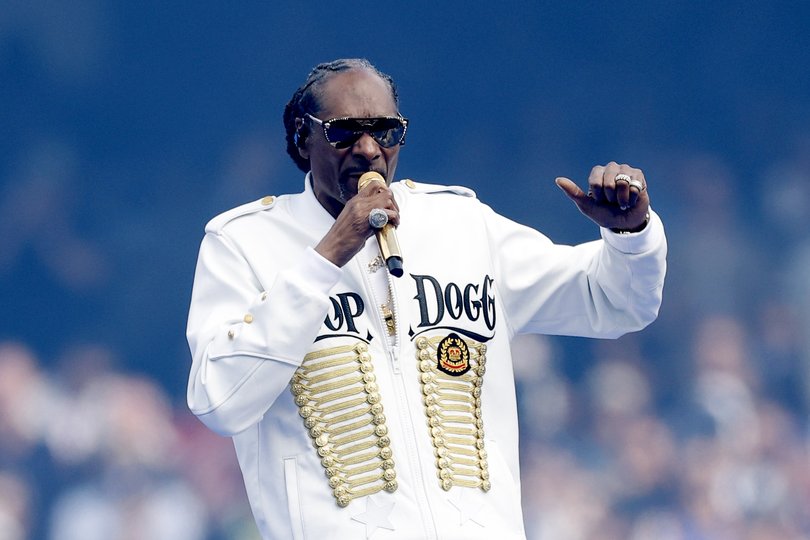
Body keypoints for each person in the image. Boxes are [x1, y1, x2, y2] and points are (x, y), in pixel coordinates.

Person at [186, 58, 667, 540]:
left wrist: (629, 236)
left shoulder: (462, 225)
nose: (369, 149)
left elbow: (614, 301)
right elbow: (221, 400)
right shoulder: (244, 243)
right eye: (344, 132)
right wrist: (328, 254)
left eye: (386, 132)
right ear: (301, 137)